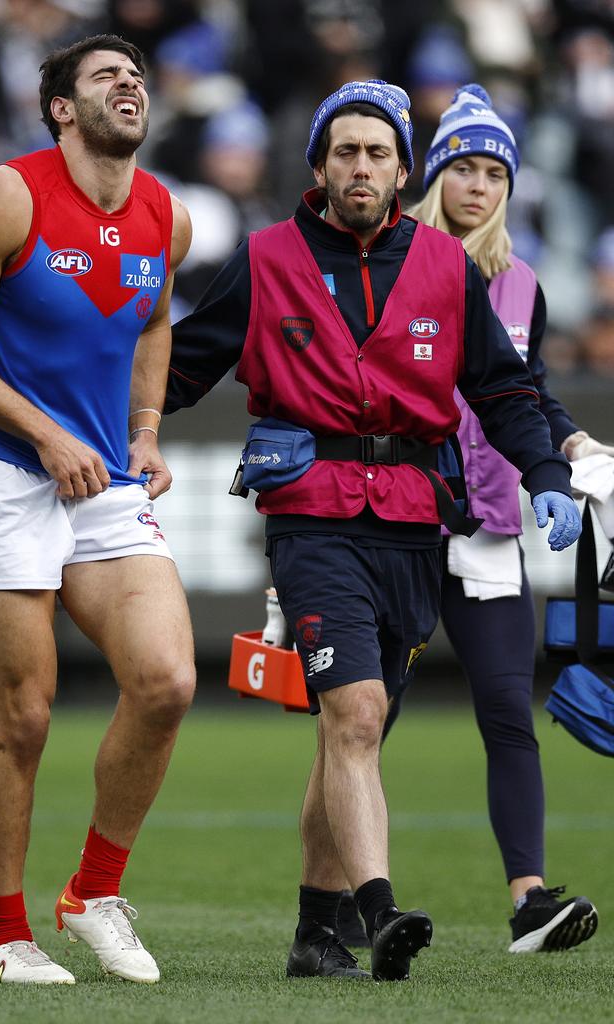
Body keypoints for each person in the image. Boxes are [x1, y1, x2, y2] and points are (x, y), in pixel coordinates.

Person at [164, 79, 581, 983]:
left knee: (355, 726)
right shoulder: (266, 258)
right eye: (345, 150)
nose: (361, 166)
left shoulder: (446, 266)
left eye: (378, 152)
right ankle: (379, 911)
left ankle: (316, 935)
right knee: (354, 715)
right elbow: (183, 368)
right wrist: (97, 422)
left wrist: (547, 470)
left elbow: (506, 392)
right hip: (311, 517)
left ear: (402, 170)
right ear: (318, 165)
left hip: (414, 519)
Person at [0, 33, 195, 985]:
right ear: (63, 110)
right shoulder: (9, 193)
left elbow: (153, 322)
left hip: (104, 476)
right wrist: (45, 433)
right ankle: (1, 939)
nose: (132, 86)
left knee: (166, 683)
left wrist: (146, 429)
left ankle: (93, 894)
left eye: (138, 77)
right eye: (108, 76)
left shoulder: (166, 215)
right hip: (0, 470)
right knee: (23, 720)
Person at [403, 83, 603, 952]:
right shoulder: (393, 258)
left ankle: (530, 900)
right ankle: (331, 904)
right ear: (437, 172)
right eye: (464, 167)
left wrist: (568, 445)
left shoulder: (522, 283)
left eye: (495, 173)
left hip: (487, 525)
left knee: (506, 711)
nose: (478, 186)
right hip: (397, 520)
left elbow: (526, 393)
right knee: (361, 718)